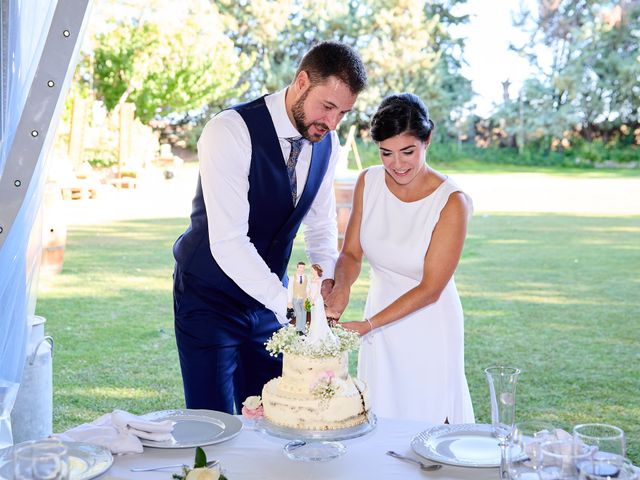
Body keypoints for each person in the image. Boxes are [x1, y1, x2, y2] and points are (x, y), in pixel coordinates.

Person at [172, 41, 367, 414]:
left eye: (343, 113)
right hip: (209, 297)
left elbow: (322, 224)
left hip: (271, 300)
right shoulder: (229, 131)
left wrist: (323, 282)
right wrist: (296, 308)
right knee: (214, 423)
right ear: (301, 81)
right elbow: (228, 243)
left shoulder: (328, 143)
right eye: (327, 107)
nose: (332, 123)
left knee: (277, 413)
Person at [324, 93, 475, 424]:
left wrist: (368, 325)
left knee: (427, 421)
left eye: (407, 151)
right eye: (386, 153)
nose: (397, 164)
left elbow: (432, 287)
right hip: (378, 315)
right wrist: (341, 290)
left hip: (428, 322)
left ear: (427, 139)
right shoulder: (369, 181)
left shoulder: (452, 202)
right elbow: (350, 253)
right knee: (379, 416)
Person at [287, 261, 308, 333]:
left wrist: (307, 299)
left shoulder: (306, 278)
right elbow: (289, 290)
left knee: (304, 313)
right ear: (297, 268)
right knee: (299, 313)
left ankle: (303, 330)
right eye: (300, 267)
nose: (302, 269)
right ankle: (298, 330)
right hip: (295, 298)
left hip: (304, 299)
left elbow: (307, 289)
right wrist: (289, 301)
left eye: (303, 268)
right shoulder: (292, 278)